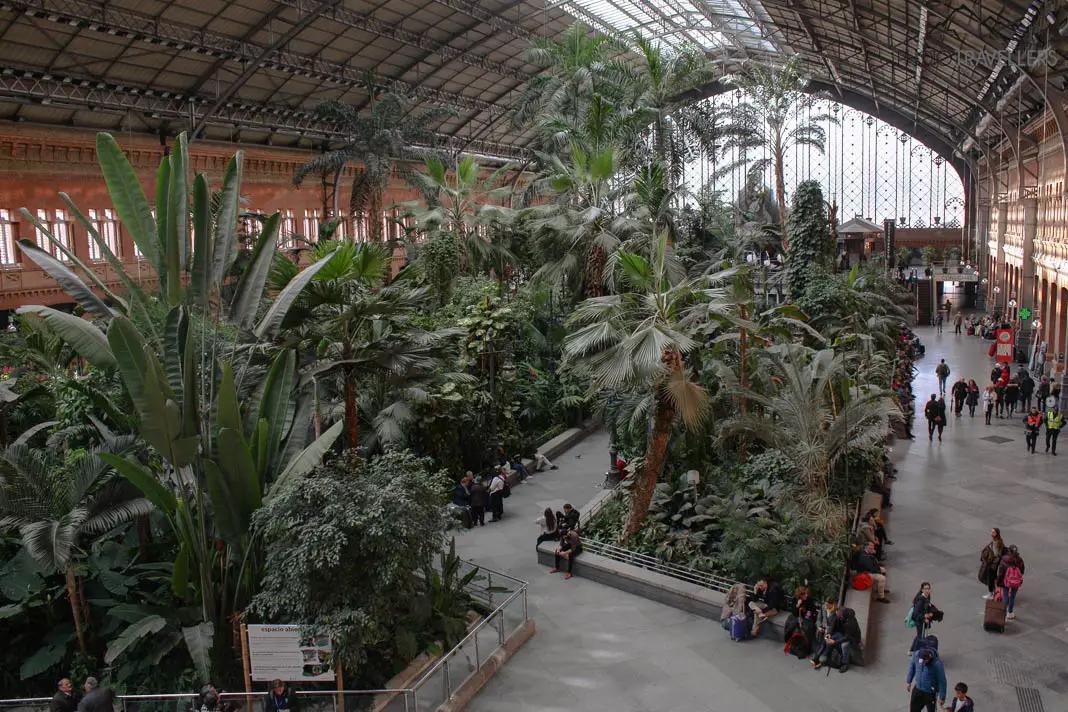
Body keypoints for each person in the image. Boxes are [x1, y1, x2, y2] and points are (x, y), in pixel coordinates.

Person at [812, 607, 861, 673]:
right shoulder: (838, 615)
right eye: (838, 615)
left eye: (840, 617)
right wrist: (829, 633)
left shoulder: (851, 622)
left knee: (844, 645)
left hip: (852, 638)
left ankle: (845, 663)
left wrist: (835, 642)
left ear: (844, 616)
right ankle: (817, 656)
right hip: (841, 633)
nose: (838, 617)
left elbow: (847, 637)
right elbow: (833, 624)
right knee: (828, 637)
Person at [906, 643, 948, 712]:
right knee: (913, 709)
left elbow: (942, 681)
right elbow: (912, 667)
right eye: (923, 660)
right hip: (918, 688)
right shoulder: (916, 655)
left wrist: (942, 697)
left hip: (930, 692)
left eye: (926, 660)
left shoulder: (937, 664)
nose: (924, 663)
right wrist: (909, 681)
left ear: (930, 656)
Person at [996, 544, 1025, 620]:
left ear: (1009, 551)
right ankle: (1010, 613)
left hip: (1006, 581)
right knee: (1012, 597)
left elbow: (1001, 572)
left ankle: (1003, 614)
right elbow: (1022, 570)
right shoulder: (1019, 560)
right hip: (1016, 582)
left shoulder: (1004, 559)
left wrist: (998, 582)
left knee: (1005, 597)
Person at [910, 582, 942, 647]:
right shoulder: (921, 600)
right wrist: (924, 618)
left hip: (922, 620)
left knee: (920, 635)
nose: (927, 590)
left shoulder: (927, 596)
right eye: (925, 589)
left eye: (928, 589)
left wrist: (931, 612)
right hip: (920, 621)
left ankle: (912, 649)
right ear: (922, 590)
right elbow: (916, 613)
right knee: (920, 637)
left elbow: (927, 606)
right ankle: (915, 650)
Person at [978, 527, 1005, 598]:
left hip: (992, 565)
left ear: (997, 533)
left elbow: (996, 554)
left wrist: (990, 561)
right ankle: (994, 592)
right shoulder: (997, 541)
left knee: (990, 579)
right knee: (992, 578)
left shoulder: (997, 542)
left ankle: (991, 594)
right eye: (991, 532)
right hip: (993, 564)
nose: (991, 533)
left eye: (993, 532)